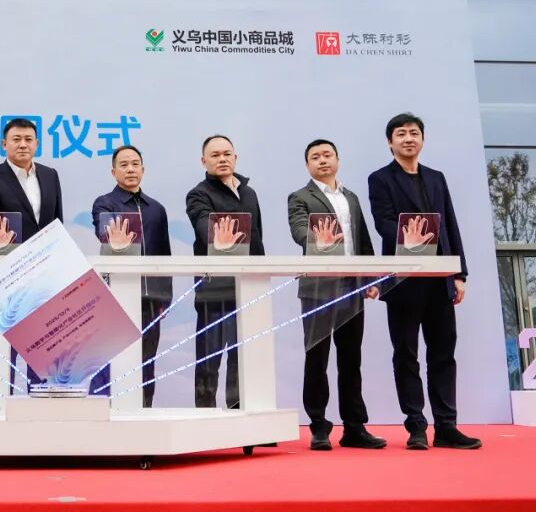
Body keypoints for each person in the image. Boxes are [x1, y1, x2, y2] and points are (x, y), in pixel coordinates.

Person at [368, 113, 481, 451]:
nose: (408, 139)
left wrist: (459, 273)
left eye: (414, 133)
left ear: (422, 139)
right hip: (403, 281)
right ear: (390, 142)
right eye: (401, 134)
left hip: (439, 279)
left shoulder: (436, 178)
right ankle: (416, 426)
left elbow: (450, 225)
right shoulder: (380, 179)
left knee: (443, 354)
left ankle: (447, 426)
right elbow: (383, 223)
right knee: (406, 354)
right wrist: (410, 236)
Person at [287, 139, 385, 451]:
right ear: (307, 165)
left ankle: (354, 427)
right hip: (318, 288)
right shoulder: (300, 197)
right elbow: (299, 231)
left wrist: (371, 278)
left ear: (337, 160)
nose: (322, 160)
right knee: (317, 357)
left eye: (327, 155)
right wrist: (317, 239)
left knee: (351, 359)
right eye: (315, 157)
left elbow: (363, 240)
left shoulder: (350, 197)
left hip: (352, 286)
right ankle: (318, 426)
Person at [0, 118, 63, 389]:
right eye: (16, 139)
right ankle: (4, 405)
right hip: (11, 278)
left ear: (36, 144)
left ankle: (42, 404)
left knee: (46, 349)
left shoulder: (50, 175)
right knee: (8, 352)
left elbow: (57, 223)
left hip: (45, 278)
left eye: (28, 139)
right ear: (4, 144)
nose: (23, 144)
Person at [184, 134, 264, 409]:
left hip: (248, 289)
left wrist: (260, 278)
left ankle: (241, 417)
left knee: (244, 360)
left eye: (227, 154)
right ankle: (205, 419)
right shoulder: (198, 194)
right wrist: (216, 236)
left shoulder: (249, 193)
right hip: (214, 292)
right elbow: (203, 225)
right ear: (203, 161)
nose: (222, 159)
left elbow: (257, 240)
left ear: (235, 157)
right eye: (215, 155)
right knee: (209, 362)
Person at [90, 145, 172, 405]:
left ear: (143, 170)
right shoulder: (105, 203)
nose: (130, 169)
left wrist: (164, 297)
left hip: (149, 300)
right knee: (111, 361)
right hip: (115, 298)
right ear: (113, 172)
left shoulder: (157, 209)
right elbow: (104, 233)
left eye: (135, 164)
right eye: (124, 165)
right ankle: (107, 415)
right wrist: (113, 239)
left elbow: (164, 255)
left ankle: (143, 414)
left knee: (146, 363)